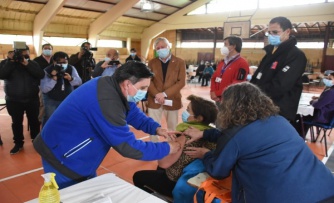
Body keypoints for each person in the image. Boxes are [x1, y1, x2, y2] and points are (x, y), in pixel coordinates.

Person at [33, 61, 181, 189]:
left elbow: (133, 113)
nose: (145, 92)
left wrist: (156, 128)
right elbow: (128, 147)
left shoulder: (110, 85)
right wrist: (168, 148)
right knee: (71, 195)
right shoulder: (106, 101)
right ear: (127, 83)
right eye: (143, 88)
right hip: (63, 156)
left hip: (77, 151)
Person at [183, 82, 334, 203]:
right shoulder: (280, 121)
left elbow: (218, 171)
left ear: (229, 107)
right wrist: (205, 133)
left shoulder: (235, 135)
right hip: (325, 189)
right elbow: (247, 140)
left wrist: (207, 154)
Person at [133, 95, 218, 200]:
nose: (185, 112)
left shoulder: (185, 136)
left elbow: (163, 163)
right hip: (198, 181)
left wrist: (169, 142)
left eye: (188, 110)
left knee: (138, 176)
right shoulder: (211, 134)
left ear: (198, 118)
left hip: (175, 182)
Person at [250, 16, 307, 122]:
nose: (271, 36)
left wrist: (256, 96)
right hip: (260, 107)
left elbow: (281, 85)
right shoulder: (270, 53)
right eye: (269, 33)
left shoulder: (296, 55)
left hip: (278, 110)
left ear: (287, 31)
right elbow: (257, 76)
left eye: (275, 32)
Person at [0, 46, 45, 154]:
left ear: (28, 53)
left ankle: (36, 141)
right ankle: (18, 143)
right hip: (14, 99)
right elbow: (2, 75)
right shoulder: (6, 63)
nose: (22, 55)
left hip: (32, 99)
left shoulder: (32, 63)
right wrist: (10, 62)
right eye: (19, 53)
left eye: (25, 52)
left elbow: (40, 75)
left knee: (34, 121)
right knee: (16, 122)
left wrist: (27, 64)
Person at [147, 37, 186, 141]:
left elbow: (181, 82)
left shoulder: (179, 62)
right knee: (152, 126)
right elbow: (148, 80)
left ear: (169, 47)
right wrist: (157, 94)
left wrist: (164, 94)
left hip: (172, 99)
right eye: (158, 48)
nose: (160, 49)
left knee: (172, 127)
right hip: (154, 99)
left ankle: (171, 146)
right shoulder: (152, 63)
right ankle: (154, 147)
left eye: (162, 47)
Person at [40, 51, 82, 126]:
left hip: (67, 99)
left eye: (65, 62)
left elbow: (79, 82)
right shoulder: (47, 70)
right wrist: (53, 79)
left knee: (66, 118)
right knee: (50, 118)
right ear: (54, 62)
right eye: (60, 62)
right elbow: (44, 89)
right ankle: (46, 135)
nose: (63, 65)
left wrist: (71, 78)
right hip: (51, 99)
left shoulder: (71, 68)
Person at [210, 36, 249, 103]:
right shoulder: (222, 62)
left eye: (225, 44)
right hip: (218, 99)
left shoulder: (242, 63)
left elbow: (237, 84)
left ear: (233, 46)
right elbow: (214, 78)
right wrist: (212, 91)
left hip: (230, 100)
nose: (223, 47)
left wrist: (217, 93)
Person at [33, 43, 54, 124]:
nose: (47, 50)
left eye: (49, 48)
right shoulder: (36, 60)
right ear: (42, 50)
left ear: (52, 50)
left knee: (53, 103)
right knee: (42, 104)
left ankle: (51, 121)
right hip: (41, 85)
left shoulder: (55, 60)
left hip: (54, 85)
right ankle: (40, 120)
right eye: (45, 48)